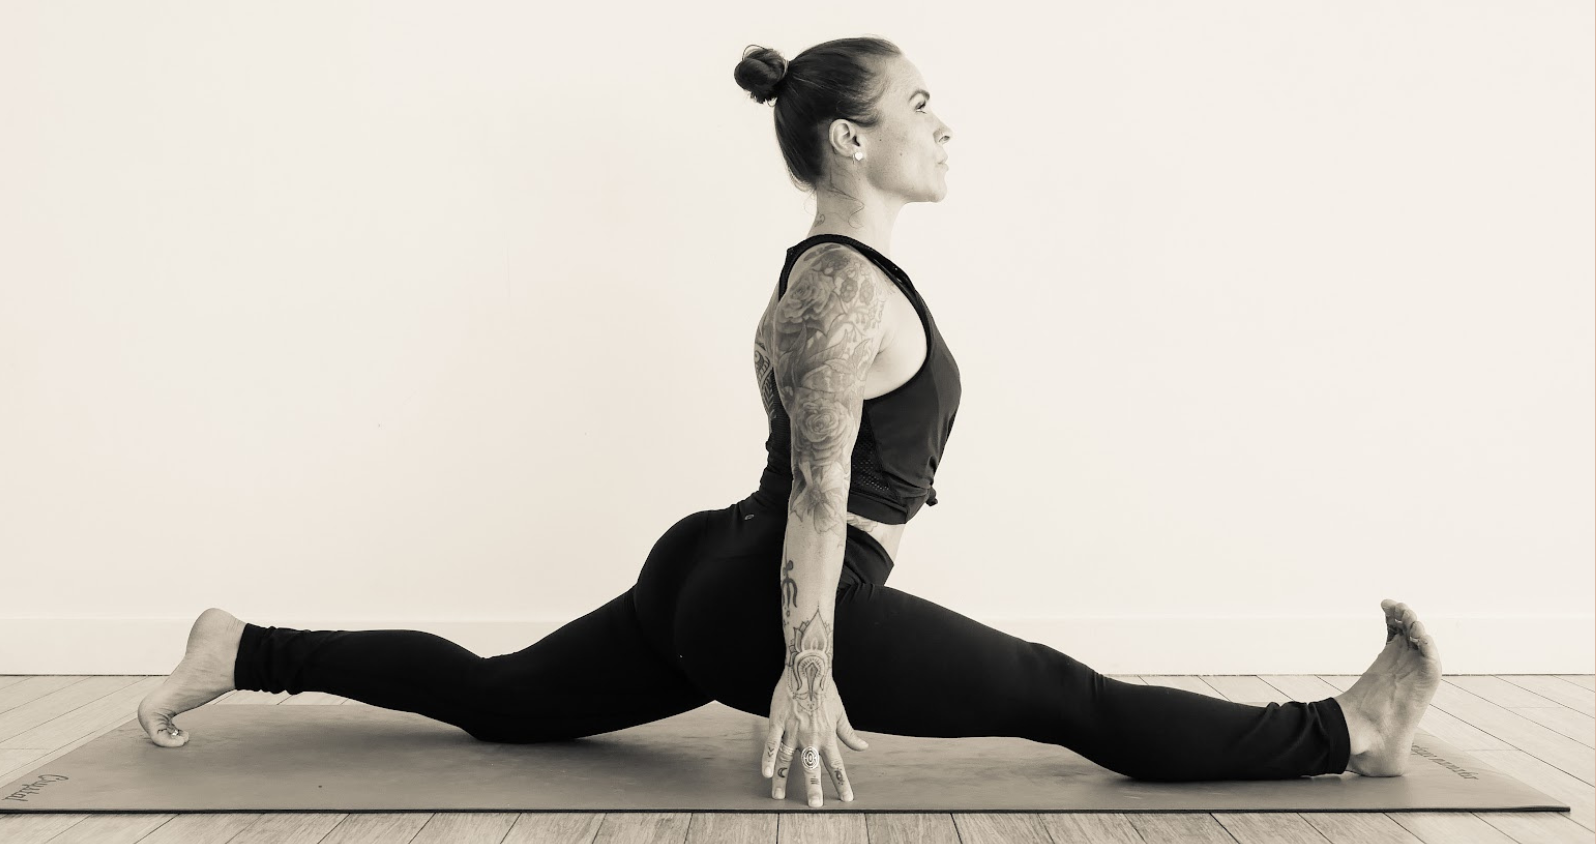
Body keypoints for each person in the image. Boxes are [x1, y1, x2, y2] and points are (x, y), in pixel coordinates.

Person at [136, 36, 1443, 808]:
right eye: (919, 110)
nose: (944, 126)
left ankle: (245, 646)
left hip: (708, 565)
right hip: (765, 590)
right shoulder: (836, 297)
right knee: (1060, 696)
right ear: (846, 145)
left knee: (501, 698)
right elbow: (822, 494)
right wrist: (801, 675)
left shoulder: (841, 280)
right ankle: (1345, 734)